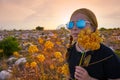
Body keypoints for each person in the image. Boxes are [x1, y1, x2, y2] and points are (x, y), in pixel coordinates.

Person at [66, 8, 120, 80]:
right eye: (71, 24)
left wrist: (89, 79)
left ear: (93, 27)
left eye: (80, 23)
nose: (74, 28)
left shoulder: (107, 54)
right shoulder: (71, 50)